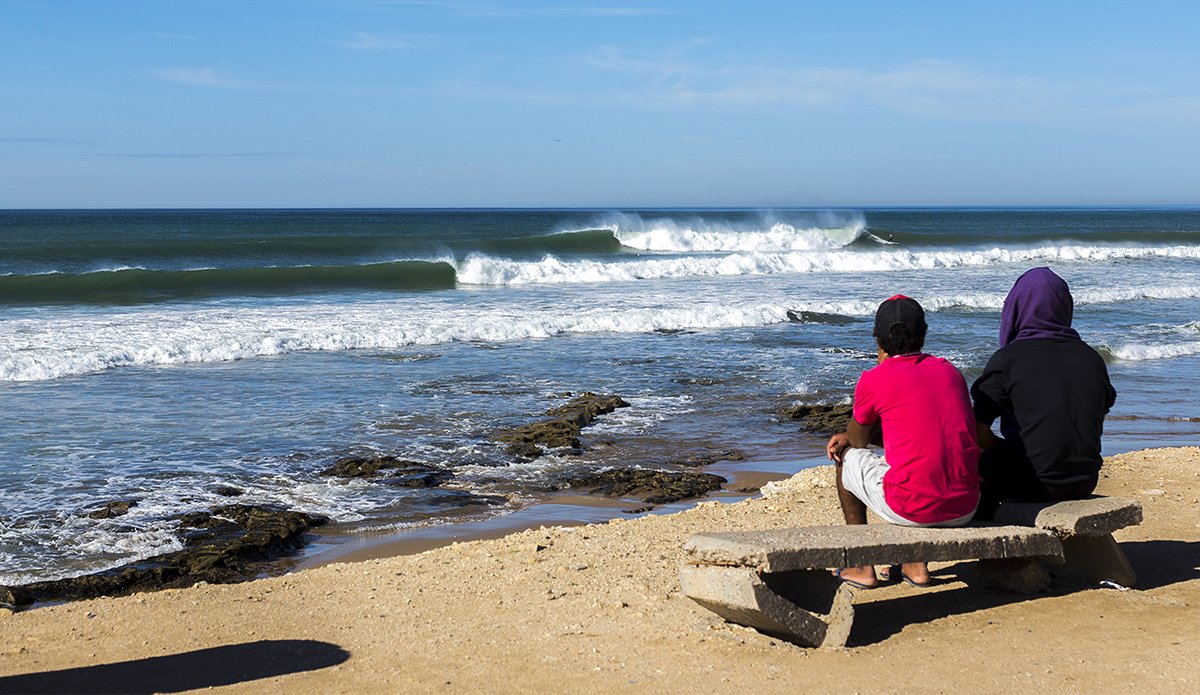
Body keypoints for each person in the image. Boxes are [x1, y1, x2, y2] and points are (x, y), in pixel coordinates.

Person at [826, 295, 980, 588]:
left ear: (878, 340)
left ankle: (860, 564)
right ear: (923, 335)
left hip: (912, 509)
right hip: (966, 506)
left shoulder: (874, 378)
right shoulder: (950, 372)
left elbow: (858, 441)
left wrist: (848, 436)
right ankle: (915, 564)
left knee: (844, 455)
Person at [971, 267, 1116, 520]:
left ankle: (993, 533)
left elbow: (977, 433)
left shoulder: (1008, 360)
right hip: (1085, 481)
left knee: (968, 461)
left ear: (1016, 307)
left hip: (1029, 484)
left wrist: (998, 447)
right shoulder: (1092, 359)